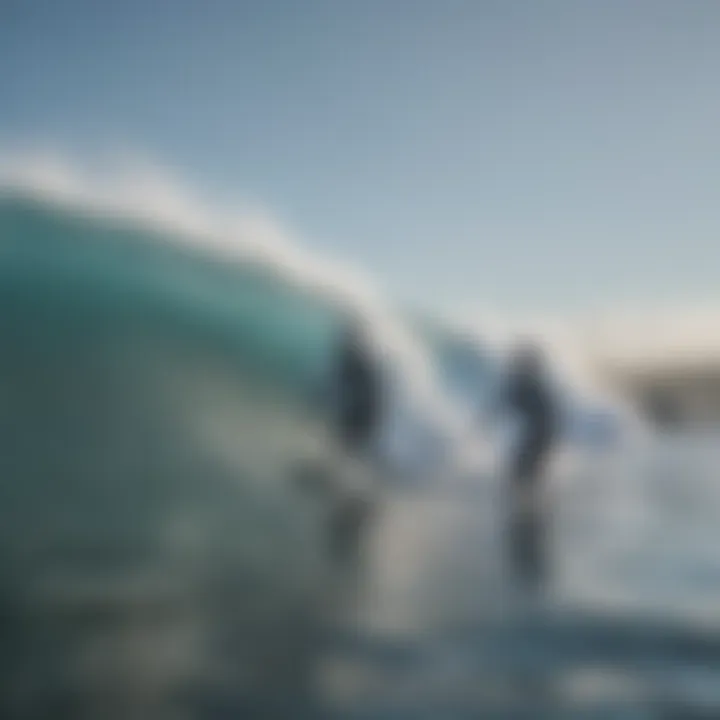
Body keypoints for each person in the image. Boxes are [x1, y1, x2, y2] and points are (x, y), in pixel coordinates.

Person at [497, 341, 558, 591]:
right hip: (543, 434)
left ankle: (528, 511)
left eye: (519, 361)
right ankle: (530, 507)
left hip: (541, 435)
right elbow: (506, 404)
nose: (515, 365)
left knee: (520, 473)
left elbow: (507, 403)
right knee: (522, 474)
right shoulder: (528, 382)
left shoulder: (528, 383)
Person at [327, 318, 383, 563]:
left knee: (350, 447)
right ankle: (358, 487)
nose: (343, 341)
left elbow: (364, 387)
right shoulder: (357, 357)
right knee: (350, 448)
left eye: (346, 337)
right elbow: (343, 383)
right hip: (364, 411)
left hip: (363, 411)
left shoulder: (355, 358)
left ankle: (358, 490)